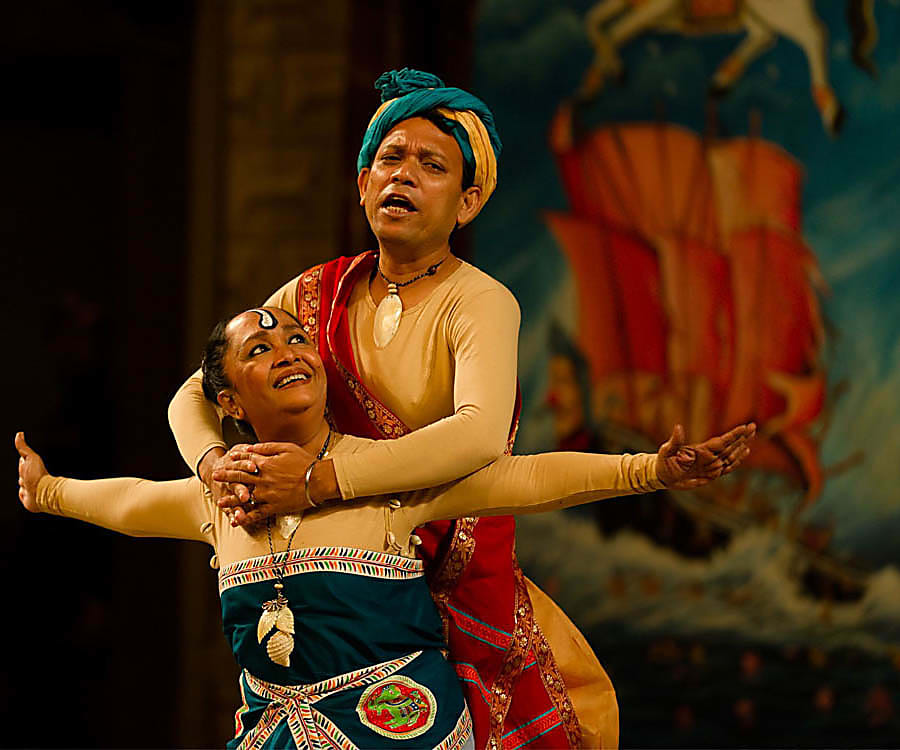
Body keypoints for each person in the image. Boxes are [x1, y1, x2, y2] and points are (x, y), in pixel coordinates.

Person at [165, 68, 708, 748]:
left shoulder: (479, 301)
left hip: (447, 564)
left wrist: (318, 481)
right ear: (364, 183)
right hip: (332, 576)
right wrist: (214, 462)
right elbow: (197, 390)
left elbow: (479, 438)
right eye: (389, 158)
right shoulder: (313, 295)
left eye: (432, 165)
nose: (404, 176)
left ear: (468, 200)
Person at [18, 307, 754, 749]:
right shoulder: (222, 498)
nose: (289, 350)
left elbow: (519, 479)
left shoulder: (386, 476)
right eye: (260, 349)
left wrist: (648, 472)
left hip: (406, 730)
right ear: (228, 402)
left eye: (300, 340)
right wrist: (47, 490)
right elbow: (125, 502)